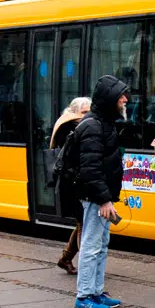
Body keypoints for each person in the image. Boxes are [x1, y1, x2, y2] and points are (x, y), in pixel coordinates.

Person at [72, 75, 130, 308]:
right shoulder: (93, 126)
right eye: (121, 96)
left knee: (101, 244)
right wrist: (104, 199)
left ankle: (95, 290)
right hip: (95, 197)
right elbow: (90, 169)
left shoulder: (103, 123)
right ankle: (84, 295)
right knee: (92, 244)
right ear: (110, 99)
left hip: (101, 195)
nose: (125, 100)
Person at [51, 96, 91, 275]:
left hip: (77, 181)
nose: (87, 115)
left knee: (83, 222)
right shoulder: (68, 128)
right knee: (84, 223)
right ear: (74, 112)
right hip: (72, 183)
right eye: (84, 112)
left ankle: (66, 258)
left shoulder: (76, 126)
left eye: (89, 111)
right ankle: (87, 268)